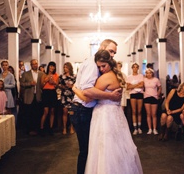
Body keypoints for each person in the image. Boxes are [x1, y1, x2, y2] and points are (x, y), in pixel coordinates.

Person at [73, 49, 142, 173]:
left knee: (104, 149)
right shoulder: (117, 75)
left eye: (103, 66)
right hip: (115, 114)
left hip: (104, 116)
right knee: (116, 148)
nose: (101, 69)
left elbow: (87, 97)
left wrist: (75, 89)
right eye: (99, 67)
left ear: (110, 63)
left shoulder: (105, 78)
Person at [68, 40, 122, 174]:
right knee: (86, 150)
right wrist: (110, 96)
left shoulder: (100, 67)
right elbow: (87, 93)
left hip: (86, 109)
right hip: (81, 109)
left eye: (114, 52)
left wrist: (75, 88)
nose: (112, 55)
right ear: (102, 48)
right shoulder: (93, 64)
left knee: (92, 149)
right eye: (110, 51)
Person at [40, 62, 60, 135]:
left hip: (52, 92)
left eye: (53, 67)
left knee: (52, 111)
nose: (52, 68)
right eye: (51, 66)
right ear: (48, 67)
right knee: (46, 111)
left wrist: (54, 82)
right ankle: (42, 128)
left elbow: (57, 86)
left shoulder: (56, 75)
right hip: (46, 93)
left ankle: (51, 128)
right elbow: (41, 86)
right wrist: (46, 80)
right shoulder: (44, 75)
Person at [127, 63, 146, 135]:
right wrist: (136, 85)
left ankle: (139, 127)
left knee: (139, 111)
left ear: (138, 68)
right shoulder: (129, 77)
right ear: (132, 68)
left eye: (136, 67)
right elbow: (128, 87)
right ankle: (135, 128)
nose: (135, 68)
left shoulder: (141, 76)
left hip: (140, 94)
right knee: (134, 111)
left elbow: (141, 85)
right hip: (133, 94)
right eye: (134, 67)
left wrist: (133, 85)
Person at [143, 68, 162, 135]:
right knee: (148, 114)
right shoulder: (144, 80)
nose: (148, 74)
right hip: (146, 97)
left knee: (154, 114)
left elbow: (160, 87)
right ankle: (150, 129)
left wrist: (158, 93)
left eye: (150, 73)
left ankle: (154, 129)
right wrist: (143, 92)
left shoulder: (156, 80)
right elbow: (141, 87)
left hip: (154, 97)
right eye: (147, 73)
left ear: (152, 73)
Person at [59, 63, 76, 134]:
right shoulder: (61, 76)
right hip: (64, 96)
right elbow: (59, 84)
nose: (65, 69)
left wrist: (71, 86)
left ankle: (72, 127)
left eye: (66, 67)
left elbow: (77, 85)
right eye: (64, 67)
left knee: (71, 112)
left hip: (71, 95)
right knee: (65, 112)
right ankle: (64, 128)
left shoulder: (74, 76)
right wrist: (62, 87)